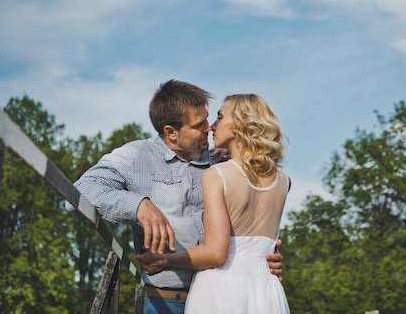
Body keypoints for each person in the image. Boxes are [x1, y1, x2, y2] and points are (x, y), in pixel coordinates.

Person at [70, 80, 283, 314]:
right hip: (165, 303)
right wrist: (137, 204)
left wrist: (260, 255)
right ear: (171, 132)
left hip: (226, 297)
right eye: (198, 124)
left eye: (209, 118)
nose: (209, 127)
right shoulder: (135, 157)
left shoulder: (223, 162)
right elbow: (80, 191)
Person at [136, 93, 291, 314]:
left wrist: (162, 261)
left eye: (219, 117)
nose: (212, 127)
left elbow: (216, 253)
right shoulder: (284, 182)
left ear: (240, 124)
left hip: (223, 289)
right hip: (267, 291)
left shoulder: (216, 175)